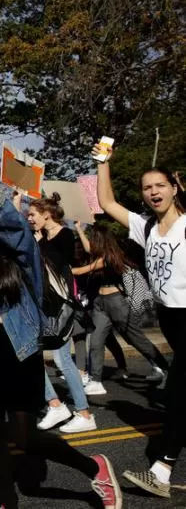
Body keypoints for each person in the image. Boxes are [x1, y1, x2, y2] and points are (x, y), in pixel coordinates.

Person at [0, 149, 122, 509]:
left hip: (19, 351)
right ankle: (6, 502)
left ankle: (93, 467)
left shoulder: (23, 250)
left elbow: (11, 224)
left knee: (24, 437)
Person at [94, 149, 185, 499]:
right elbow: (106, 201)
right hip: (170, 317)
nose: (153, 191)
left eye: (160, 185)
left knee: (176, 394)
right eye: (147, 187)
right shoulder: (145, 226)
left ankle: (161, 468)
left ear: (174, 188)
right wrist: (103, 162)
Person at [26, 195, 96, 434]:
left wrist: (37, 245)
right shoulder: (43, 237)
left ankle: (83, 413)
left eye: (32, 214)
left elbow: (58, 265)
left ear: (47, 214)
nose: (30, 218)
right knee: (33, 356)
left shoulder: (64, 235)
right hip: (45, 306)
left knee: (61, 359)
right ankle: (58, 405)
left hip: (61, 307)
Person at [74, 223, 169, 396]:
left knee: (136, 339)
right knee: (95, 341)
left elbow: (82, 271)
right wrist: (78, 228)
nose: (91, 243)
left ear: (100, 241)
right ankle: (96, 381)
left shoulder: (109, 258)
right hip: (99, 304)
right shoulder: (100, 255)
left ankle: (164, 368)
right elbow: (88, 249)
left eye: (93, 239)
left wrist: (64, 270)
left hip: (116, 302)